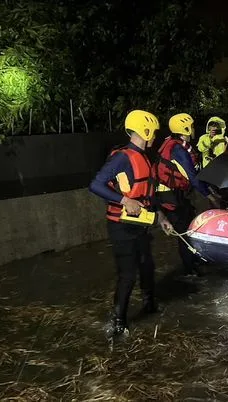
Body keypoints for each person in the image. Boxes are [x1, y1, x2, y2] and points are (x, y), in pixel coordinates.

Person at [89, 110, 173, 337]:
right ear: (144, 131)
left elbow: (150, 193)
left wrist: (161, 217)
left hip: (141, 222)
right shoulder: (122, 157)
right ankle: (119, 321)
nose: (154, 137)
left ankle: (149, 304)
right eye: (153, 133)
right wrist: (124, 200)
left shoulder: (146, 156)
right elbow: (96, 184)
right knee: (128, 273)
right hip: (121, 224)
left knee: (147, 265)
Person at [156, 113, 221, 276]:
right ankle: (190, 270)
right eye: (191, 126)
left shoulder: (175, 145)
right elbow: (192, 177)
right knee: (184, 230)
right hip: (170, 197)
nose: (193, 129)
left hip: (175, 195)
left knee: (190, 225)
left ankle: (193, 261)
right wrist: (210, 196)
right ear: (184, 128)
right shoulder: (178, 149)